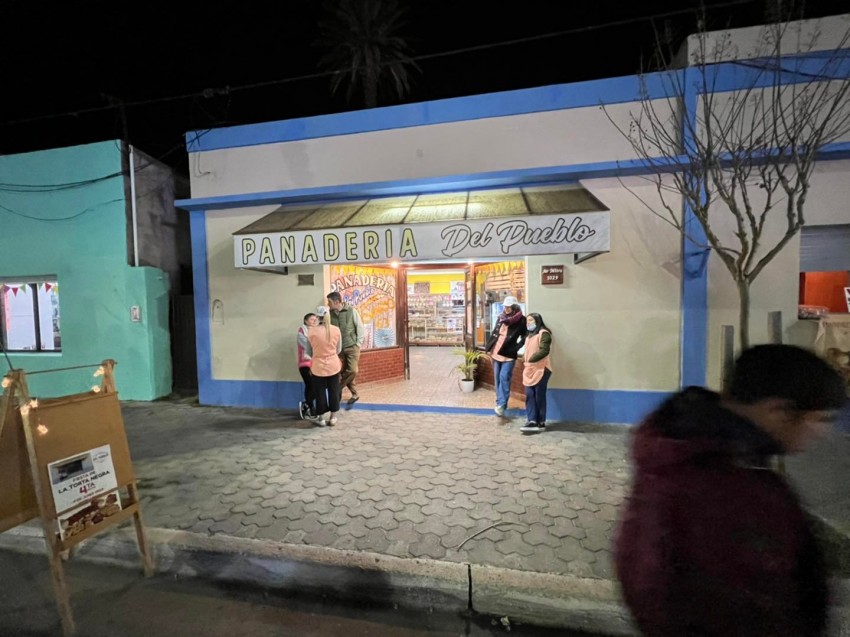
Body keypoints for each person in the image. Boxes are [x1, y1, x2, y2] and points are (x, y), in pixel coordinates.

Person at [615, 344, 847, 637]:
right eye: (821, 419)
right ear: (778, 411)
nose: (823, 433)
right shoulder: (717, 485)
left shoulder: (725, 460)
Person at [485, 296, 526, 416]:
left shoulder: (521, 320)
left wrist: (517, 347)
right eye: (505, 307)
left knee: (504, 378)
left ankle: (502, 404)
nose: (506, 309)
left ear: (515, 307)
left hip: (508, 354)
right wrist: (489, 347)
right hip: (495, 351)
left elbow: (525, 336)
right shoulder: (501, 317)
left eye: (509, 307)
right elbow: (495, 333)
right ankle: (499, 402)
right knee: (497, 379)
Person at [305, 306, 342, 426]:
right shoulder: (336, 330)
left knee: (319, 392)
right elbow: (339, 349)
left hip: (317, 366)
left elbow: (308, 351)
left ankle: (321, 418)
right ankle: (333, 417)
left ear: (317, 316)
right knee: (334, 391)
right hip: (333, 365)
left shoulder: (311, 332)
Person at [326, 291, 365, 406]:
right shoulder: (329, 314)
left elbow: (360, 327)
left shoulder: (351, 311)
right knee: (341, 371)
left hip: (352, 346)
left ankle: (337, 388)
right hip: (337, 348)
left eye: (329, 302)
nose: (328, 304)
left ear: (337, 301)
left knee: (352, 370)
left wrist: (358, 343)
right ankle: (354, 394)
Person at [519, 313, 552, 434]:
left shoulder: (544, 333)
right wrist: (524, 358)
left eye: (531, 320)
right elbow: (528, 350)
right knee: (529, 394)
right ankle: (532, 420)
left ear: (537, 321)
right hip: (529, 369)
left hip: (541, 369)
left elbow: (544, 350)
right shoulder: (529, 335)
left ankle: (541, 421)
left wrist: (531, 359)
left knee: (539, 395)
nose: (528, 323)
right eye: (527, 321)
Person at [297, 312, 318, 419]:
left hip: (316, 363)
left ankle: (308, 406)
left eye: (315, 319)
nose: (314, 321)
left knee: (313, 386)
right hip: (305, 363)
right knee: (311, 385)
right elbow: (308, 346)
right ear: (306, 321)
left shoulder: (317, 331)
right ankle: (309, 406)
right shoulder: (302, 332)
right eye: (311, 319)